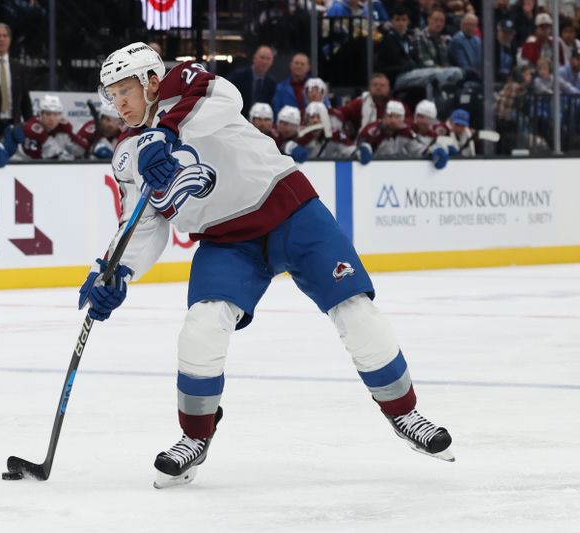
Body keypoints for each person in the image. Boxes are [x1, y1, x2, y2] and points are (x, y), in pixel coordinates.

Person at [87, 42, 454, 489]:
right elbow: (141, 222)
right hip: (225, 240)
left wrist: (166, 131)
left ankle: (405, 413)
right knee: (201, 327)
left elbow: (227, 99)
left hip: (289, 209)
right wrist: (114, 270)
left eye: (125, 89)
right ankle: (194, 437)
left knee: (355, 309)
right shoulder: (128, 155)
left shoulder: (183, 82)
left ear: (149, 81)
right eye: (111, 94)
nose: (119, 103)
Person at [357, 100, 448, 168]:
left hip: (397, 171)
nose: (393, 120)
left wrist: (434, 151)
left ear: (403, 119)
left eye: (397, 117)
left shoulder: (406, 132)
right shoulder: (372, 130)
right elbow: (357, 149)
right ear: (384, 116)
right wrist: (363, 150)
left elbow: (419, 150)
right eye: (390, 116)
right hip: (373, 170)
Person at [3, 95, 88, 161]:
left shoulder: (63, 127)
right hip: (20, 168)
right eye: (48, 114)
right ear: (41, 114)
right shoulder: (32, 128)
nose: (52, 118)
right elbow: (45, 157)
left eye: (56, 115)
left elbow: (79, 149)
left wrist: (88, 148)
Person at [337, 73, 394, 137]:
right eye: (375, 85)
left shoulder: (396, 105)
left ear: (388, 88)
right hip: (363, 142)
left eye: (382, 85)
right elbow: (338, 115)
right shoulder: (360, 103)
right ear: (370, 88)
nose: (378, 87)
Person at [227, 45, 277, 118]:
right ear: (254, 58)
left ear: (272, 62)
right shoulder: (238, 76)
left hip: (260, 123)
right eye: (262, 58)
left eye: (268, 59)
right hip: (238, 118)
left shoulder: (271, 82)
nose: (264, 62)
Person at [376, 6, 417, 85]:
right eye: (397, 20)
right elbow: (392, 64)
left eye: (404, 20)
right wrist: (408, 67)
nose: (401, 23)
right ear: (392, 21)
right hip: (394, 78)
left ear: (408, 22)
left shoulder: (409, 40)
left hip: (409, 74)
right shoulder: (387, 40)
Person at [447, 13, 482, 79]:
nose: (470, 27)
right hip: (463, 78)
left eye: (473, 25)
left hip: (478, 75)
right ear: (461, 25)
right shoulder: (456, 41)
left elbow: (481, 62)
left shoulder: (478, 40)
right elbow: (463, 66)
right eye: (467, 24)